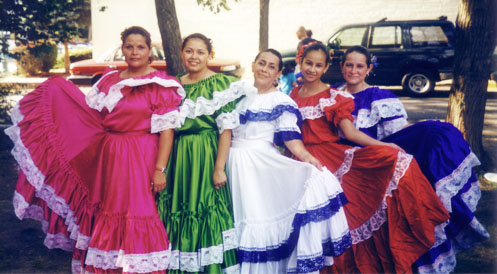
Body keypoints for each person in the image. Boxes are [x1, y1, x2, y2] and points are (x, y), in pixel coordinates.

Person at [5, 26, 183, 273]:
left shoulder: (160, 84)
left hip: (141, 154)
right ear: (122, 49)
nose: (134, 52)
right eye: (129, 46)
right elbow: (91, 117)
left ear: (149, 49)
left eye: (140, 47)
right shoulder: (109, 80)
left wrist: (159, 169)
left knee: (138, 210)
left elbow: (167, 131)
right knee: (109, 209)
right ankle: (109, 267)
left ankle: (138, 267)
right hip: (109, 156)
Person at [289, 41, 451, 273]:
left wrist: (386, 146)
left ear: (325, 68)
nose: (312, 69)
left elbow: (350, 133)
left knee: (339, 218)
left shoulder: (332, 97)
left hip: (328, 161)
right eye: (308, 63)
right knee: (306, 220)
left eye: (318, 65)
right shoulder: (291, 95)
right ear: (300, 62)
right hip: (297, 161)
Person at [333, 45, 489, 273]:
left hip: (377, 168)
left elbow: (398, 137)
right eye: (349, 65)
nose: (354, 70)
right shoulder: (333, 95)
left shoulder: (379, 97)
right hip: (346, 167)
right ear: (341, 66)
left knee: (435, 133)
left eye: (359, 66)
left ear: (368, 69)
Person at [226, 48, 351, 274]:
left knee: (259, 216)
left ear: (278, 74)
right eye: (261, 63)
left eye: (271, 66)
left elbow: (291, 140)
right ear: (253, 64)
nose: (265, 69)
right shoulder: (238, 96)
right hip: (233, 165)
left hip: (259, 167)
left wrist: (308, 159)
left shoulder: (280, 100)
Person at [156, 33, 245, 273]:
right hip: (177, 157)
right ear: (181, 53)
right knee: (178, 207)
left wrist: (219, 168)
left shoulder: (221, 84)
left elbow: (225, 130)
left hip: (205, 154)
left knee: (206, 208)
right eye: (189, 51)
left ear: (209, 55)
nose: (194, 57)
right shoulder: (173, 84)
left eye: (200, 52)